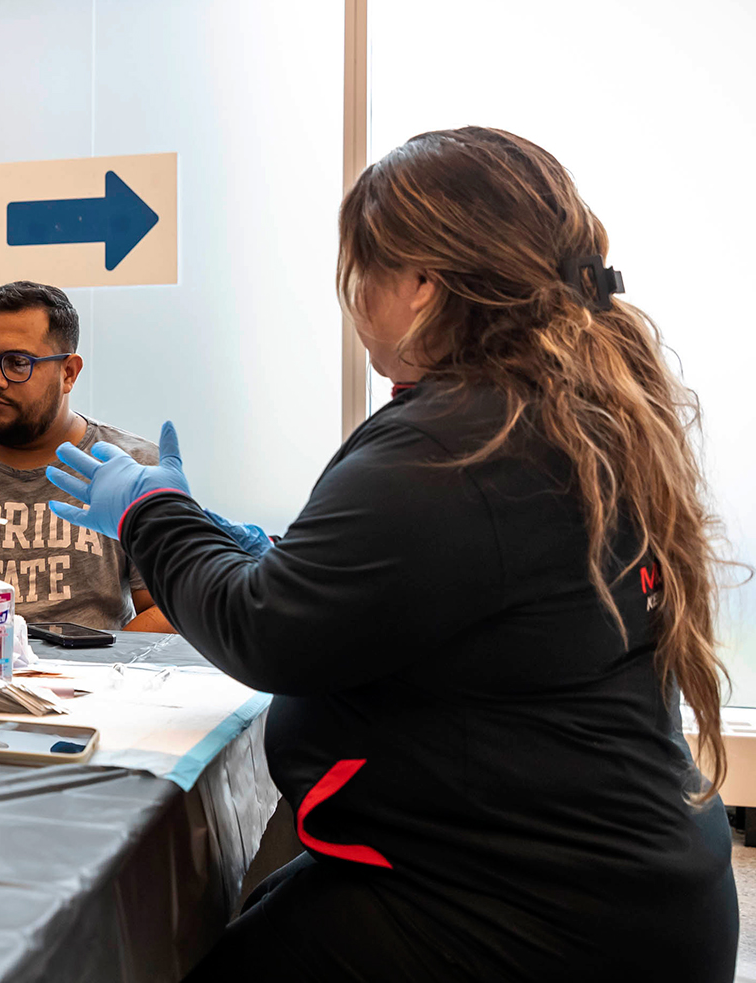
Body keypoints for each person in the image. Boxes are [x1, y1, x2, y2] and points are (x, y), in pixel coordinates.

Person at [47, 128, 737, 980]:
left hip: (530, 915)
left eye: (362, 272)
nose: (354, 298)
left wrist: (153, 512)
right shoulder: (550, 411)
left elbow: (267, 631)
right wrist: (254, 551)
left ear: (420, 284)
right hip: (598, 879)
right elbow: (426, 587)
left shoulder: (461, 446)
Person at [0, 281, 179, 631]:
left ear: (68, 373)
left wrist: (99, 669)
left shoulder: (130, 468)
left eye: (17, 363)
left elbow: (169, 608)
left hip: (93, 680)